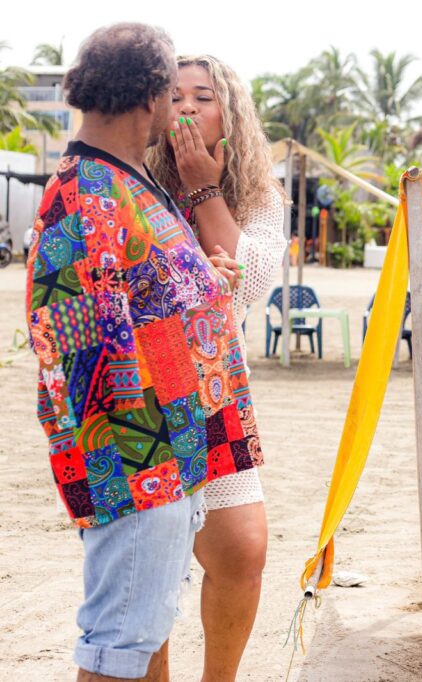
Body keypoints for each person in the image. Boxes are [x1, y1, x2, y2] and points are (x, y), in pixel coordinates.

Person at [25, 23, 263, 682]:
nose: (181, 109)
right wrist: (145, 485)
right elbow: (83, 354)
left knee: (135, 636)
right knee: (118, 649)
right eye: (173, 93)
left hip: (170, 461)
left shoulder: (125, 184)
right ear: (150, 95)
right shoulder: (90, 197)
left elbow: (136, 305)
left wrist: (201, 288)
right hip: (138, 468)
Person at [147, 54, 285, 681]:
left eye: (201, 97)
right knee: (147, 561)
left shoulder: (260, 193)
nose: (186, 110)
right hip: (141, 393)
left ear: (229, 110)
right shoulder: (135, 184)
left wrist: (205, 189)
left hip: (214, 392)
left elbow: (253, 280)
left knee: (241, 553)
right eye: (172, 97)